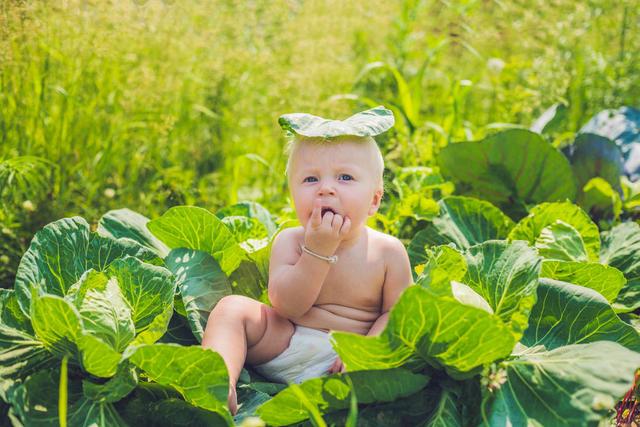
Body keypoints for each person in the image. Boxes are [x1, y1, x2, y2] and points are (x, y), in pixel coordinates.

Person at [201, 107, 412, 415]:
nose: (326, 188)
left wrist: (365, 352)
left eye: (345, 177)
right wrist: (317, 252)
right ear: (293, 196)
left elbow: (397, 313)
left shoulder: (388, 252)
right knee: (232, 309)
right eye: (311, 179)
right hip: (287, 344)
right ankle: (217, 385)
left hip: (349, 362)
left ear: (374, 200)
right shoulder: (290, 241)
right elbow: (287, 307)